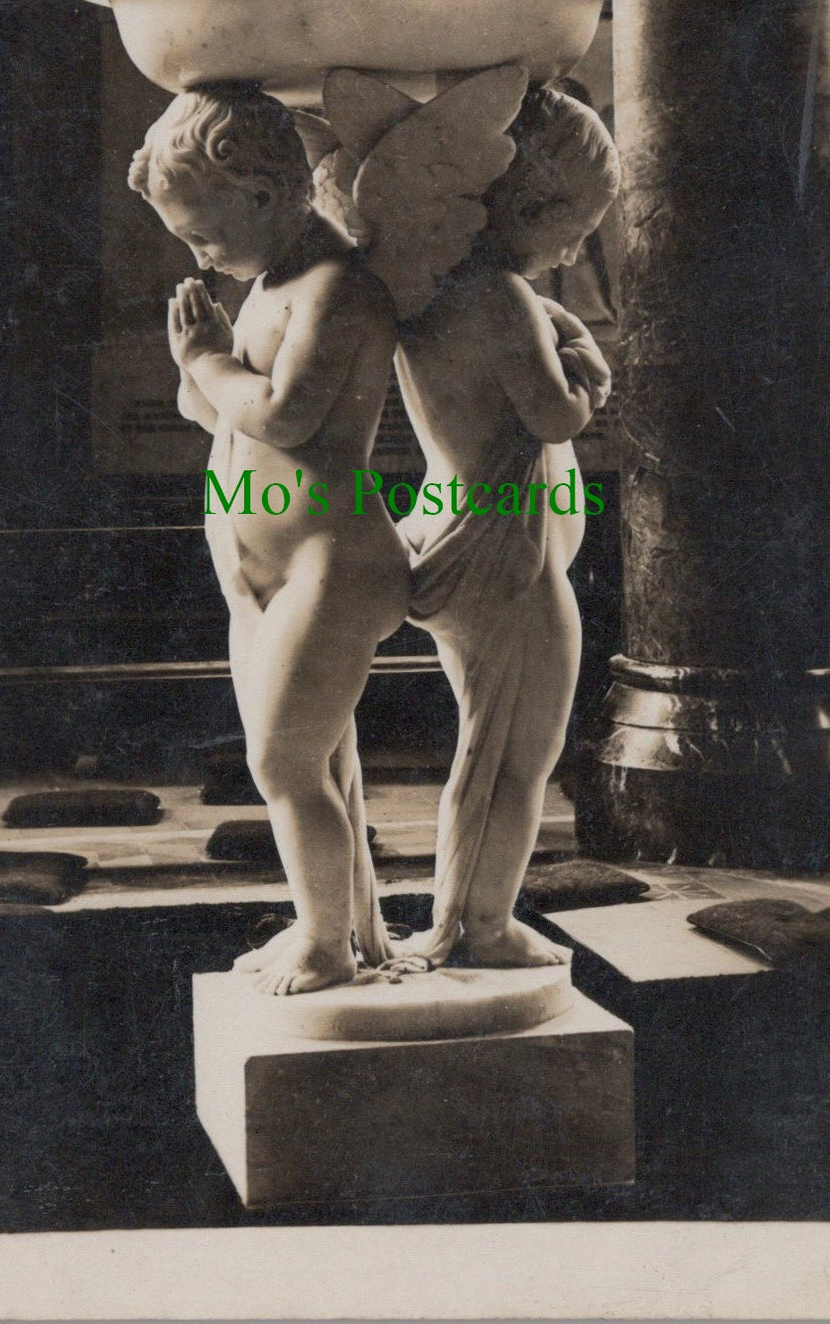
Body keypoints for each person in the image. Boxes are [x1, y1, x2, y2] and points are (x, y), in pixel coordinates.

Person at [128, 83, 409, 995]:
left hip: (333, 561)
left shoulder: (339, 288)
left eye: (204, 236)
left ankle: (327, 943)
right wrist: (197, 364)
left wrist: (208, 361)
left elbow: (285, 417)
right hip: (262, 572)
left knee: (283, 760)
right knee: (313, 760)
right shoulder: (265, 288)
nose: (199, 257)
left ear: (260, 194)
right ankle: (343, 929)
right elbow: (210, 412)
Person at [391, 85, 617, 968]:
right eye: (573, 227)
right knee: (514, 758)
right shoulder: (502, 298)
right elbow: (555, 415)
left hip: (471, 539)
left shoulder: (434, 294)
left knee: (490, 747)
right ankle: (476, 927)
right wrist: (590, 369)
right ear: (531, 204)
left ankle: (466, 919)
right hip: (504, 560)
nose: (574, 250)